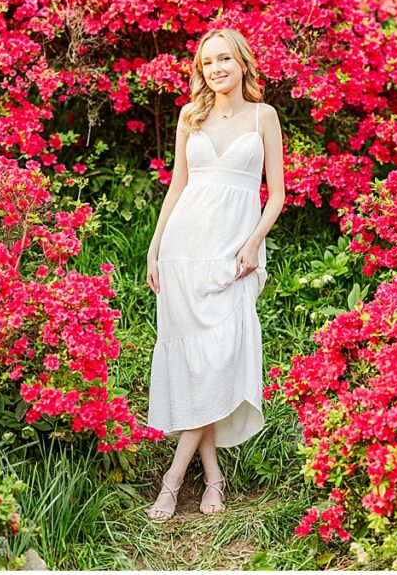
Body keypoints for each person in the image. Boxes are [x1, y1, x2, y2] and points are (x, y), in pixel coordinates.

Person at [144, 28, 285, 521]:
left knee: (219, 361)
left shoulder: (263, 117)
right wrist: (155, 247)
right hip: (185, 250)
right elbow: (178, 187)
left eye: (225, 58)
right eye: (208, 63)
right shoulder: (191, 115)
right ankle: (214, 481)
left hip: (234, 254)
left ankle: (172, 480)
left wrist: (252, 243)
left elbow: (278, 195)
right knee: (196, 367)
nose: (217, 68)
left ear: (243, 62)